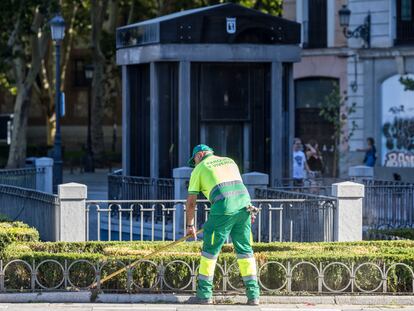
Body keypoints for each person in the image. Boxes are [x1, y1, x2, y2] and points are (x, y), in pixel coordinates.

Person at [185, 144, 260, 305]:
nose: (195, 163)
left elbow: (191, 202)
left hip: (223, 209)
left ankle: (204, 295)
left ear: (201, 155)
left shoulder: (199, 169)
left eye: (195, 160)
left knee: (209, 252)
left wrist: (189, 226)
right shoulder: (229, 161)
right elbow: (237, 186)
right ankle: (253, 295)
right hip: (245, 207)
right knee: (245, 251)